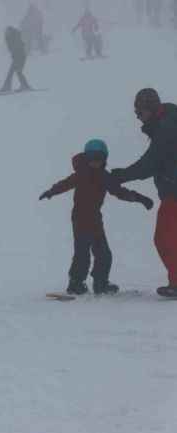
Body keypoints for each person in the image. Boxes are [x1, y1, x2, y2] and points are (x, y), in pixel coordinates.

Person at [40, 140, 154, 295]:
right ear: (86, 158)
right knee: (82, 253)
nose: (95, 162)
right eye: (92, 158)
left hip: (95, 219)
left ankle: (101, 283)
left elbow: (120, 192)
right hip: (80, 219)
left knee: (104, 254)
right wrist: (51, 192)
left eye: (99, 158)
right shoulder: (81, 174)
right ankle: (76, 283)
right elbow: (65, 184)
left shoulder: (105, 177)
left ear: (104, 159)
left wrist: (140, 198)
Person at [111, 89, 177, 297]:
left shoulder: (167, 127)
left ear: (151, 108)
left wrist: (122, 175)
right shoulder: (168, 122)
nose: (138, 117)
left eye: (139, 112)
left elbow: (151, 163)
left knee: (165, 238)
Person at [0, 26, 32, 93]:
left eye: (8, 32)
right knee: (17, 72)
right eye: (6, 32)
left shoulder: (15, 37)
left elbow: (18, 47)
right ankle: (24, 85)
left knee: (15, 72)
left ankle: (8, 86)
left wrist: (15, 54)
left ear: (11, 31)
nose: (6, 33)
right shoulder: (10, 37)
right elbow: (12, 48)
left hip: (19, 57)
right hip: (17, 57)